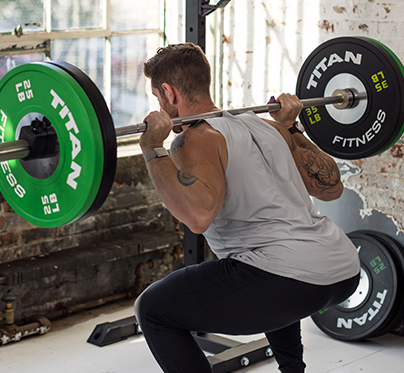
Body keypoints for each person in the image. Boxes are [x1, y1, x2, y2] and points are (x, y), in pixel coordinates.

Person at [134, 43, 360, 373]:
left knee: (152, 310)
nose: (159, 106)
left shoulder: (195, 139)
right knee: (265, 259)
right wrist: (292, 126)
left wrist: (153, 149)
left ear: (168, 92)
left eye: (157, 97)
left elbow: (198, 217)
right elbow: (331, 188)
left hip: (285, 281)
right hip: (343, 269)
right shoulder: (269, 127)